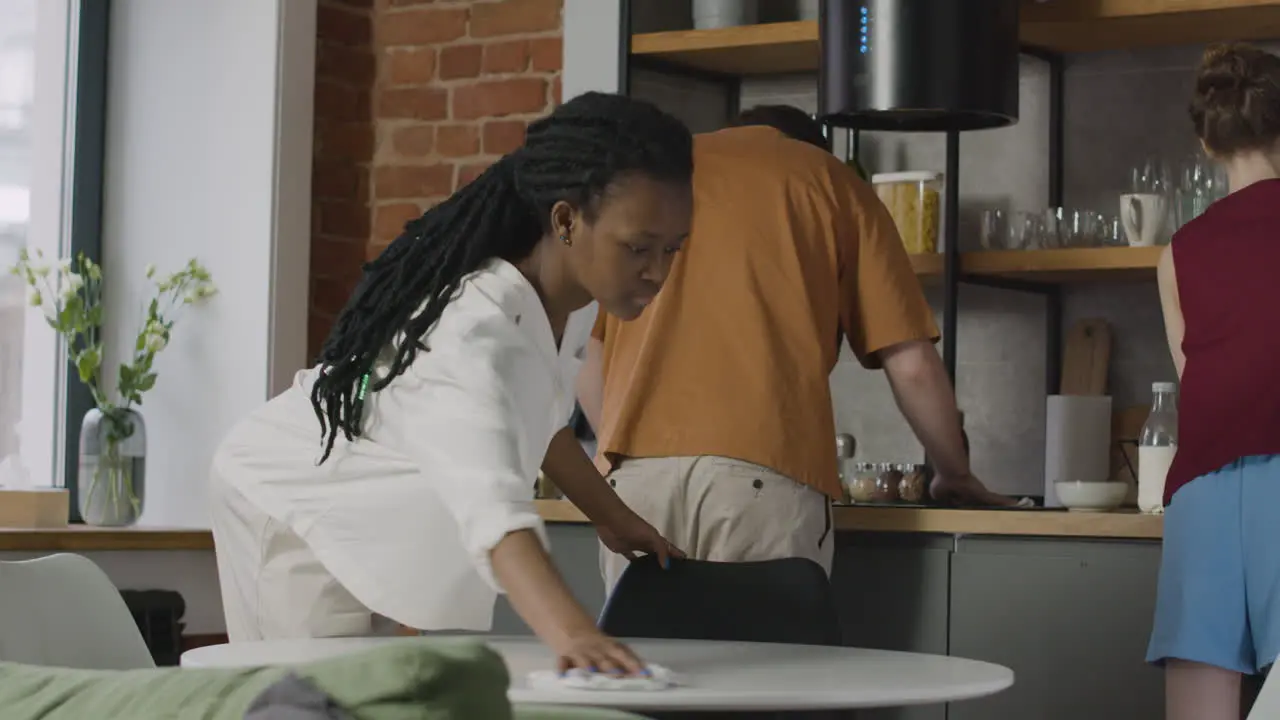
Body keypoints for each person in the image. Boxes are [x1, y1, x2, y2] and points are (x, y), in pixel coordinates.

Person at [208, 91, 693, 675]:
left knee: (373, 699)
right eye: (638, 248)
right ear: (566, 221)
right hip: (289, 508)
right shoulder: (471, 332)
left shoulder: (569, 303)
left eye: (672, 250)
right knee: (307, 703)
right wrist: (574, 634)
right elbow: (494, 512)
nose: (659, 272)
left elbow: (537, 421)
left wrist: (611, 516)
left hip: (363, 511)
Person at [577, 105, 1014, 592]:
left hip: (633, 489)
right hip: (764, 478)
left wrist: (628, 462)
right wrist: (954, 472)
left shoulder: (660, 178)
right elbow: (910, 364)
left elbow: (590, 362)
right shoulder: (829, 180)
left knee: (647, 668)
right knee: (768, 669)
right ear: (809, 146)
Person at [1148, 43, 1280, 720]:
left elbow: (1198, 380)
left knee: (1199, 709)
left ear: (1205, 142)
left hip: (1203, 493)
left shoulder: (1178, 252)